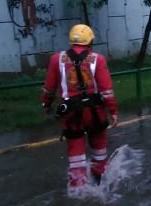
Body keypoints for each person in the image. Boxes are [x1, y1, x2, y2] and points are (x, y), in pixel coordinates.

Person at [41, 24, 119, 188]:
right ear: (90, 41)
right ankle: (101, 181)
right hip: (95, 112)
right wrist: (113, 111)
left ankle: (78, 188)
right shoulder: (98, 59)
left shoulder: (57, 59)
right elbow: (106, 90)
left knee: (75, 149)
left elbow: (49, 88)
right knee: (99, 145)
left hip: (70, 113)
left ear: (71, 41)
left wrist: (46, 104)